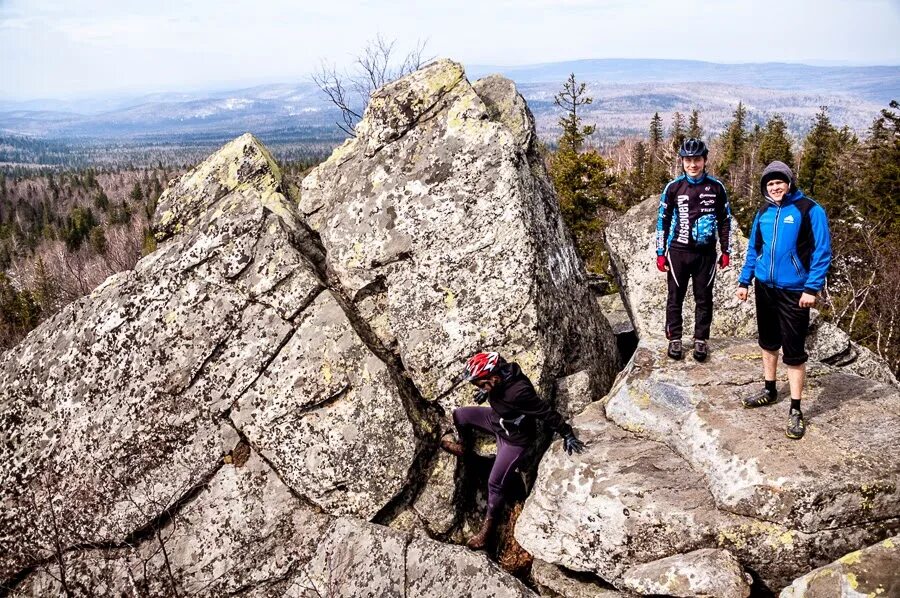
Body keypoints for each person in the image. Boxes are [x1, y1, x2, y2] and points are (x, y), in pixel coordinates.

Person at [440, 351, 585, 549]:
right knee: (460, 415)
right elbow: (493, 386)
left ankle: (487, 530)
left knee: (495, 483)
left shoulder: (520, 393)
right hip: (496, 420)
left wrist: (567, 433)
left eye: (480, 384)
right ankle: (465, 448)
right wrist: (486, 391)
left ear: (494, 377)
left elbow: (546, 413)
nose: (478, 387)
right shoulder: (500, 376)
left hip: (514, 440)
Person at [736, 160, 832, 440]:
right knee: (767, 342)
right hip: (765, 287)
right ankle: (769, 389)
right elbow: (754, 249)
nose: (775, 187)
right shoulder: (763, 212)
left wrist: (811, 288)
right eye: (770, 183)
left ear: (789, 183)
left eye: (779, 182)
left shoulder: (809, 210)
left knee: (793, 351)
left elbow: (822, 251)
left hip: (795, 292)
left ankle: (796, 408)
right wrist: (744, 281)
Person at [656, 138, 733, 361]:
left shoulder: (717, 187)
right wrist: (660, 253)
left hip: (706, 254)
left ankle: (701, 339)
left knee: (704, 298)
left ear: (704, 160)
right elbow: (662, 220)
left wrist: (726, 251)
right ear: (682, 161)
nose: (692, 165)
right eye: (688, 160)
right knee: (675, 297)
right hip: (678, 252)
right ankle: (675, 338)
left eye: (697, 160)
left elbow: (725, 221)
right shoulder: (673, 188)